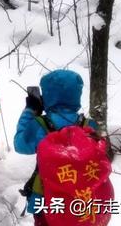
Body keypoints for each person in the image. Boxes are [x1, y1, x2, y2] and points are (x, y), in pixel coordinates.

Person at [14, 69, 96, 226]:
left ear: (48, 95)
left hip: (47, 198)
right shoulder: (88, 125)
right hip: (82, 197)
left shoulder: (41, 124)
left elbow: (20, 144)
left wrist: (30, 110)